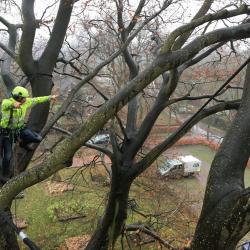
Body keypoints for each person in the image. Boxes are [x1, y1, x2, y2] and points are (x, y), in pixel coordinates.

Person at [0, 86, 57, 178]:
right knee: (7, 156)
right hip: (7, 133)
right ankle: (4, 175)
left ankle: (23, 144)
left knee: (37, 138)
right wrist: (13, 104)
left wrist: (50, 97)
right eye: (23, 98)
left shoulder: (26, 102)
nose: (25, 100)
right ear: (17, 97)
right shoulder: (8, 103)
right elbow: (5, 103)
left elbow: (37, 100)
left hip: (19, 130)